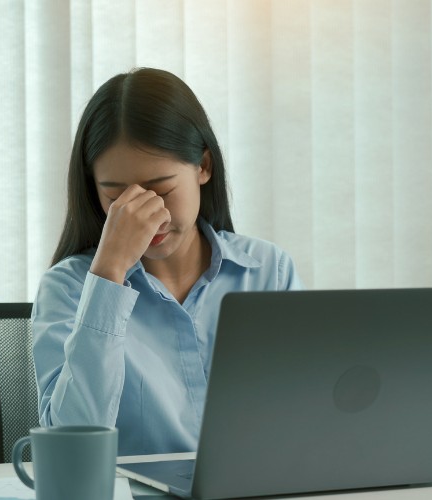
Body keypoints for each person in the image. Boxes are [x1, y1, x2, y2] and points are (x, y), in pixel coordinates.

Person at [31, 67, 302, 456]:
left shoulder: (268, 270)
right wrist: (108, 275)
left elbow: (308, 414)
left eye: (161, 190)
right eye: (117, 197)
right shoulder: (68, 288)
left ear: (203, 167)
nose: (146, 214)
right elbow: (70, 447)